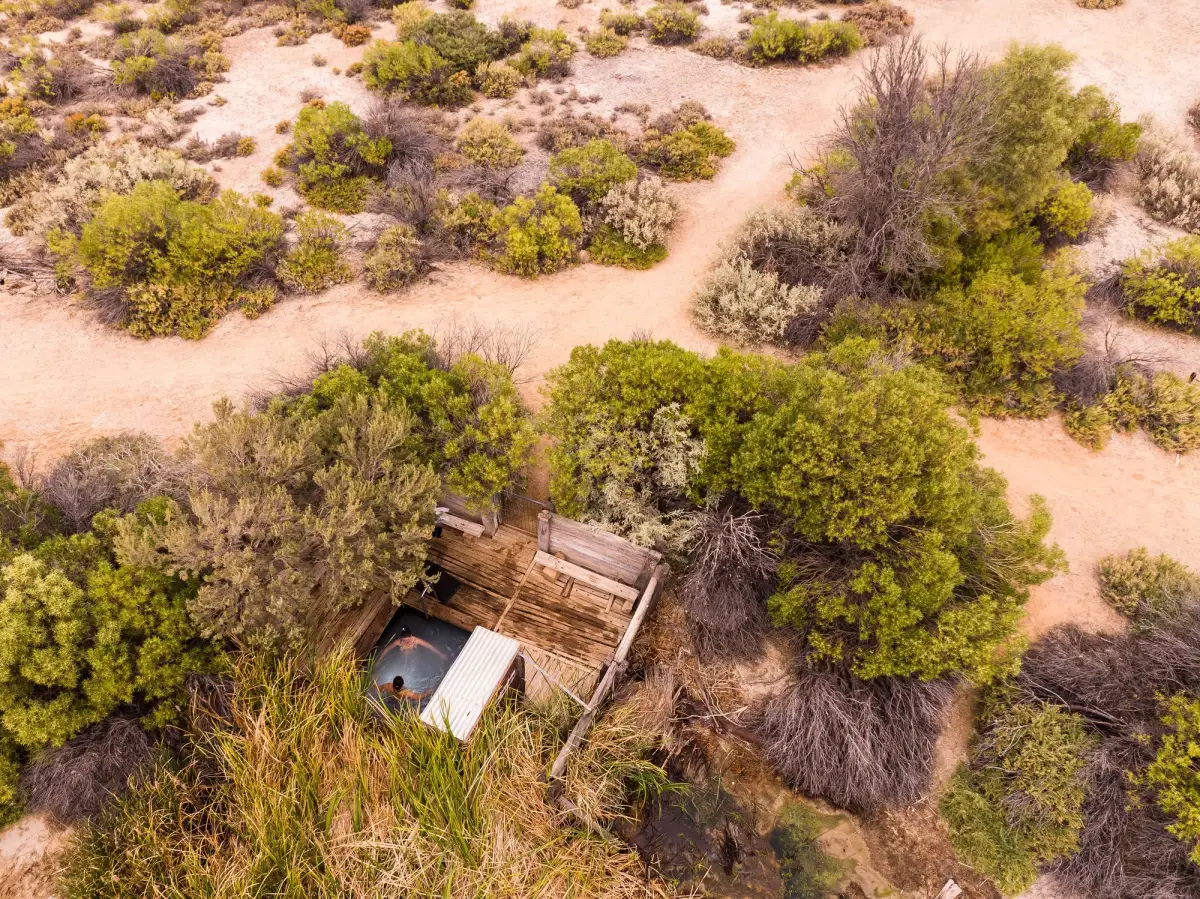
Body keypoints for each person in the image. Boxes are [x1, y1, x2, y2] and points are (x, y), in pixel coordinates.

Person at [379, 625, 446, 661]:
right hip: (402, 660)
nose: (406, 642)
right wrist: (379, 660)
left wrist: (440, 654)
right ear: (401, 637)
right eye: (404, 640)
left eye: (407, 640)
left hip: (414, 660)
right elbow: (387, 649)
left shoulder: (416, 640)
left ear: (411, 635)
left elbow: (429, 646)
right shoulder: (398, 642)